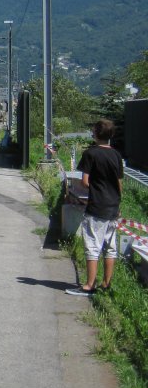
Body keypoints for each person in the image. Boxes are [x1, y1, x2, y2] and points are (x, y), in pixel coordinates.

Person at [66, 119, 124, 296]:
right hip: (113, 207)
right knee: (110, 247)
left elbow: (85, 181)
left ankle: (89, 285)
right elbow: (120, 184)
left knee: (92, 245)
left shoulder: (91, 154)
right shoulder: (116, 155)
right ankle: (106, 283)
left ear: (96, 134)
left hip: (97, 206)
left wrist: (95, 189)